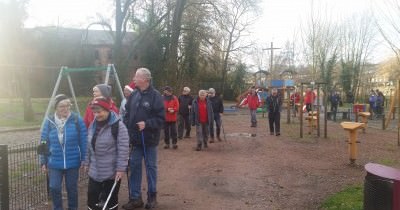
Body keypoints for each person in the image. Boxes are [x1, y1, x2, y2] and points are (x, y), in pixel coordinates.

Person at [122, 68, 165, 210]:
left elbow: (161, 119)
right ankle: (135, 198)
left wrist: (147, 124)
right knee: (134, 168)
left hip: (150, 141)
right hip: (135, 140)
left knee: (151, 168)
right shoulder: (133, 94)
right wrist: (128, 127)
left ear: (145, 79)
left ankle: (152, 197)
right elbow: (127, 113)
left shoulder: (156, 96)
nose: (134, 79)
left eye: (136, 76)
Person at [39, 94, 87, 210]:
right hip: (54, 161)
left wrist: (84, 158)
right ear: (56, 108)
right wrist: (42, 161)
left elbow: (84, 140)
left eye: (68, 106)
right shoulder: (49, 121)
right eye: (62, 106)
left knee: (72, 188)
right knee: (54, 187)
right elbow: (43, 141)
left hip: (73, 161)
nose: (65, 109)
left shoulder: (76, 119)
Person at [85, 97, 130, 210]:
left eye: (99, 112)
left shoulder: (119, 127)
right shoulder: (92, 126)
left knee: (109, 201)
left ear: (107, 110)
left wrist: (120, 168)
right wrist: (86, 162)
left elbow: (123, 149)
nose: (96, 115)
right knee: (92, 199)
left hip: (111, 173)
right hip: (94, 171)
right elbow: (88, 146)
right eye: (94, 112)